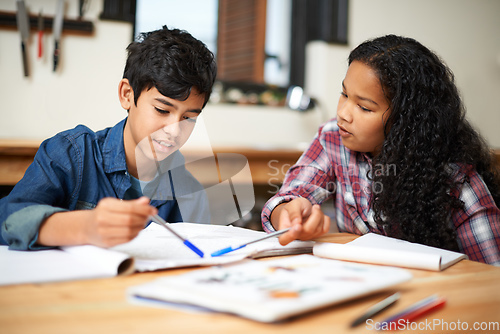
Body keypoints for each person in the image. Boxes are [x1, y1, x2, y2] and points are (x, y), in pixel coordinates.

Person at [262, 34, 500, 265]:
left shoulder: (456, 179)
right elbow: (293, 193)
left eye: (364, 107)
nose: (343, 113)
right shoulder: (334, 137)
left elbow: (491, 276)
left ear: (405, 120)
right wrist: (287, 212)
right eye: (344, 94)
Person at [0, 26, 217, 250]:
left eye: (189, 118)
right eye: (162, 110)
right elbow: (8, 220)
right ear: (126, 95)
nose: (174, 130)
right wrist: (85, 226)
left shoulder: (190, 192)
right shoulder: (71, 154)